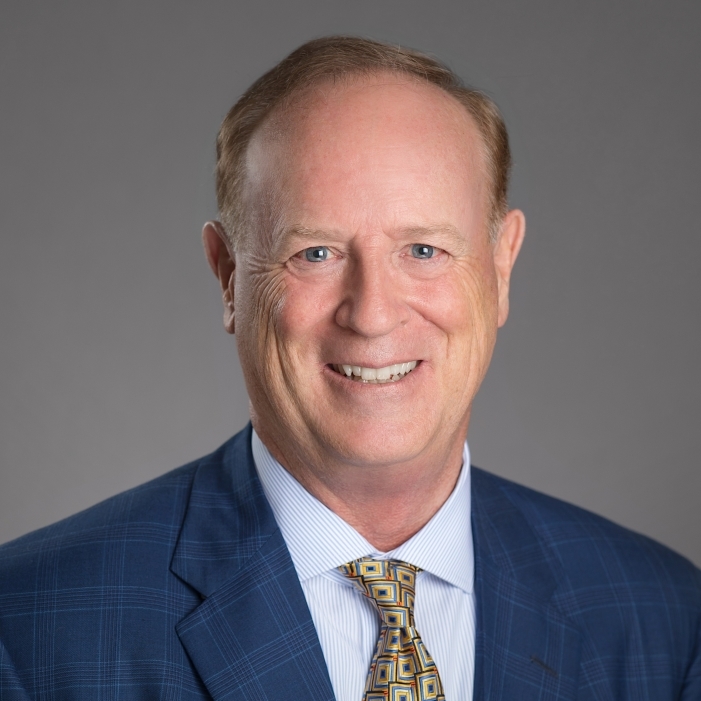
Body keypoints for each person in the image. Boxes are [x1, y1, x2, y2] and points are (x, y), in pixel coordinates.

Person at [0, 35, 699, 701]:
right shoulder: (31, 628)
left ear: (500, 268)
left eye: (423, 250)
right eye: (315, 253)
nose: (371, 314)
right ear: (228, 278)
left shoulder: (664, 619)